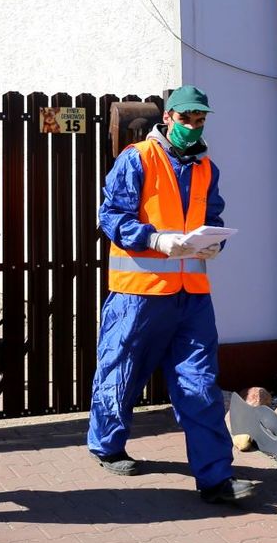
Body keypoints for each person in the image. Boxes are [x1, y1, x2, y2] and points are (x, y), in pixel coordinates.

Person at [87, 85, 255, 504]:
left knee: (200, 385)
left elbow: (212, 216)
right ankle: (106, 446)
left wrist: (215, 243)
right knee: (121, 372)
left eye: (200, 120)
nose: (193, 127)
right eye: (186, 119)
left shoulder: (206, 168)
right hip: (138, 293)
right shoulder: (137, 158)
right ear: (168, 118)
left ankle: (216, 479)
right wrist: (155, 239)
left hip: (191, 296)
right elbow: (111, 216)